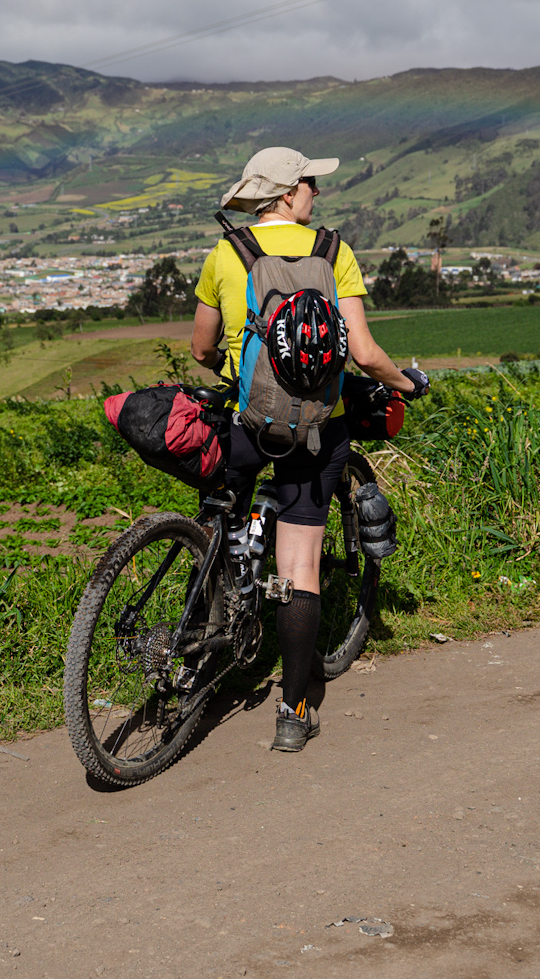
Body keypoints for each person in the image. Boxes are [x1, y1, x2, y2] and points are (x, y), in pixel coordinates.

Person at [189, 146, 426, 752]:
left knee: (218, 531)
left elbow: (199, 349)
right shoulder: (333, 251)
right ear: (289, 194)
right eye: (312, 184)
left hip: (247, 420)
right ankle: (294, 713)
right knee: (299, 569)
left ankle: (201, 653)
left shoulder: (228, 252)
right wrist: (406, 383)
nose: (317, 193)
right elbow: (364, 353)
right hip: (319, 426)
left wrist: (237, 368)